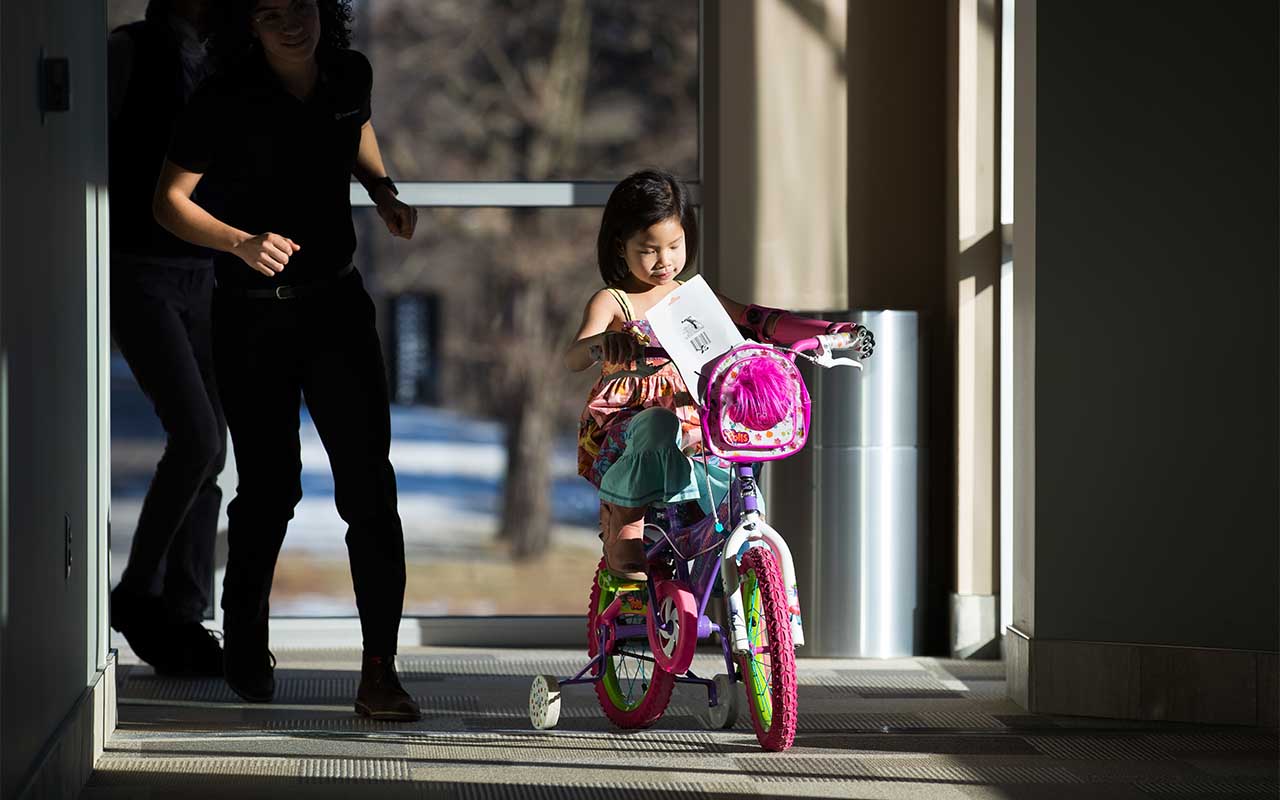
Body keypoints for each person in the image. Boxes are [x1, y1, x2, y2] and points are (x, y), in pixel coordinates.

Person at [152, 0, 421, 720]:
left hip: (338, 307)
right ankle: (244, 638)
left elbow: (354, 127)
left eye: (297, 5)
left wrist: (381, 188)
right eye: (267, 12)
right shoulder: (222, 97)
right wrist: (238, 240)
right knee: (270, 489)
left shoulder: (346, 74)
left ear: (320, 8)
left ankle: (379, 674)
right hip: (250, 316)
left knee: (369, 489)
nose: (288, 23)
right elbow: (168, 202)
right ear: (251, 25)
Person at [566, 169, 860, 580]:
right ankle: (626, 525)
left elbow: (756, 319)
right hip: (630, 426)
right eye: (649, 249)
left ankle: (722, 542)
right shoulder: (615, 301)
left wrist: (826, 332)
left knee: (736, 440)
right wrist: (603, 345)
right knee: (659, 424)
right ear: (621, 245)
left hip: (696, 417)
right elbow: (575, 355)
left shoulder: (693, 296)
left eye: (674, 245)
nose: (664, 260)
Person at [108, 0, 226, 677]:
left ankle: (184, 610)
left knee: (215, 449)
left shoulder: (222, 57)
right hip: (139, 270)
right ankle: (139, 590)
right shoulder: (128, 52)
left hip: (203, 273)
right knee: (197, 438)